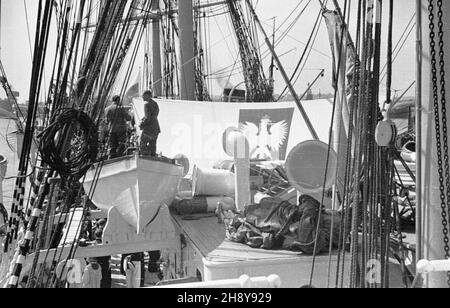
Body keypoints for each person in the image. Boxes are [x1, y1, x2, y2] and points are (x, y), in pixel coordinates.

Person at [139, 90, 161, 157]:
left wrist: (141, 124)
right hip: (156, 128)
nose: (142, 97)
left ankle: (145, 159)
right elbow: (153, 115)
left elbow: (148, 118)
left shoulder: (146, 104)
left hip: (148, 129)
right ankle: (153, 158)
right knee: (153, 145)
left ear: (147, 95)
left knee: (143, 144)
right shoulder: (155, 103)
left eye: (143, 95)